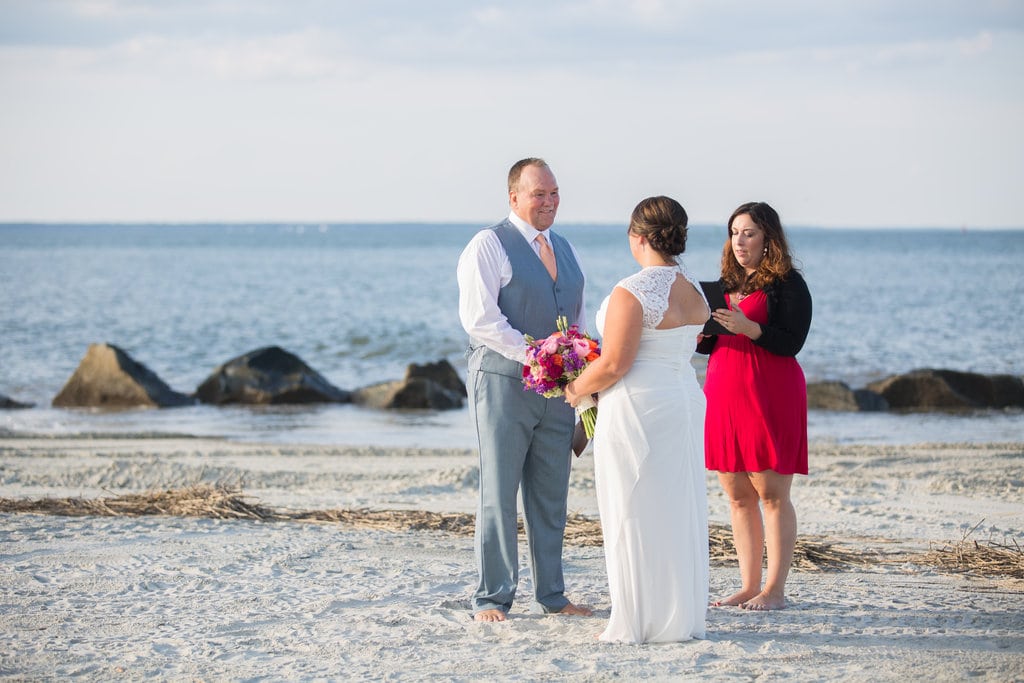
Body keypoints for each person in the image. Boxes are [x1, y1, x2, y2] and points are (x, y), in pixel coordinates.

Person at [565, 196, 710, 643]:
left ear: (639, 236)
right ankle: (678, 617)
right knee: (674, 507)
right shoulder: (694, 288)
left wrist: (574, 388)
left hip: (639, 406)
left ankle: (639, 619)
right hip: (683, 399)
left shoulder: (632, 291)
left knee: (631, 507)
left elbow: (614, 364)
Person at [456, 158, 593, 623]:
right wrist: (536, 354)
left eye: (554, 193)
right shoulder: (489, 244)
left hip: (557, 391)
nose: (550, 201)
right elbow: (480, 319)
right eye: (539, 194)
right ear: (513, 197)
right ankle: (492, 598)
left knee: (551, 493)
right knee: (498, 490)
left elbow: (574, 316)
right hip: (503, 383)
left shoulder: (567, 249)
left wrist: (578, 366)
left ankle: (553, 595)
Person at [696, 201, 812, 611]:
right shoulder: (723, 283)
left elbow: (792, 341)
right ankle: (748, 585)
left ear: (768, 238)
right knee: (737, 494)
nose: (740, 241)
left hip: (771, 392)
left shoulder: (788, 284)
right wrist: (700, 336)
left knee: (772, 493)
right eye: (734, 233)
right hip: (725, 391)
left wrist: (752, 329)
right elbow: (712, 340)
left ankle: (774, 590)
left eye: (749, 233)